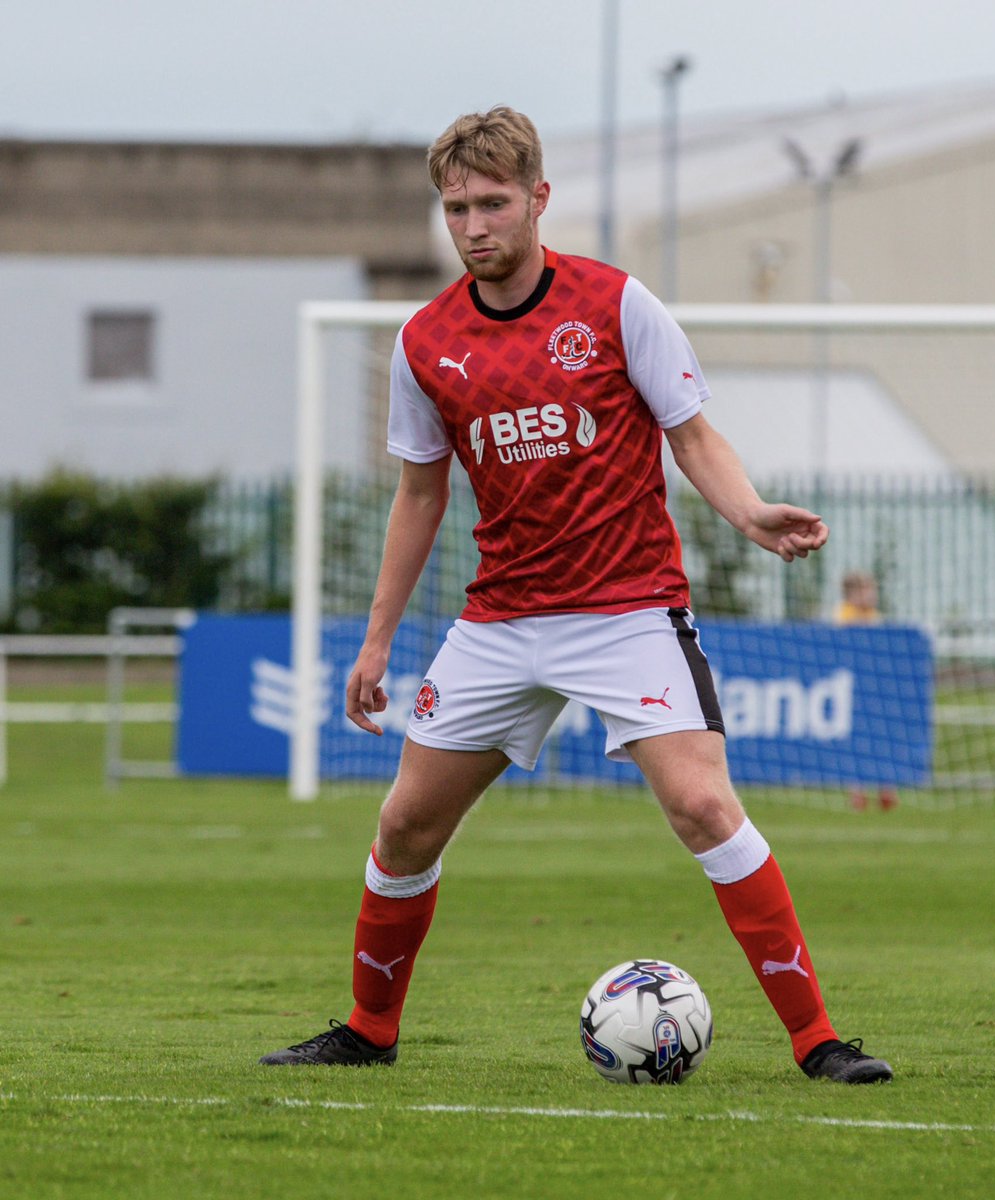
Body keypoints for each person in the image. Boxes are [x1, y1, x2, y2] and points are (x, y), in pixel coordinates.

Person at [259, 106, 892, 1085]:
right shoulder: (427, 341)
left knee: (703, 806)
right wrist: (376, 644)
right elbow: (420, 494)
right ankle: (367, 1030)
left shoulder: (616, 304)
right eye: (457, 207)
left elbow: (692, 434)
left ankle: (819, 1042)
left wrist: (749, 512)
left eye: (494, 203)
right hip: (501, 621)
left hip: (630, 609)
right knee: (403, 826)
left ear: (539, 200)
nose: (474, 224)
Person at [835, 572, 899, 811]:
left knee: (883, 738)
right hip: (853, 691)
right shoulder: (845, 616)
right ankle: (857, 791)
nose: (871, 595)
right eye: (865, 590)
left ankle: (887, 787)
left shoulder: (875, 617)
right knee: (858, 740)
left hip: (876, 689)